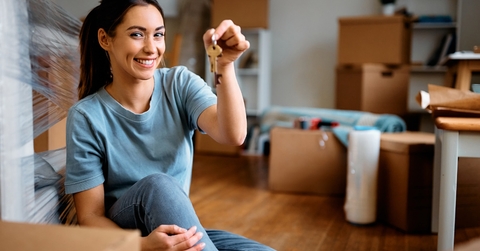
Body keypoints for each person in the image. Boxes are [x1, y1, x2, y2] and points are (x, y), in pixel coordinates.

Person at [64, 0, 275, 250]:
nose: (151, 48)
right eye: (137, 34)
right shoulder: (86, 116)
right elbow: (90, 217)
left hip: (176, 224)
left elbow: (233, 134)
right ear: (105, 39)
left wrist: (224, 66)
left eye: (158, 35)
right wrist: (141, 246)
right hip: (126, 233)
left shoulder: (180, 83)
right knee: (158, 185)